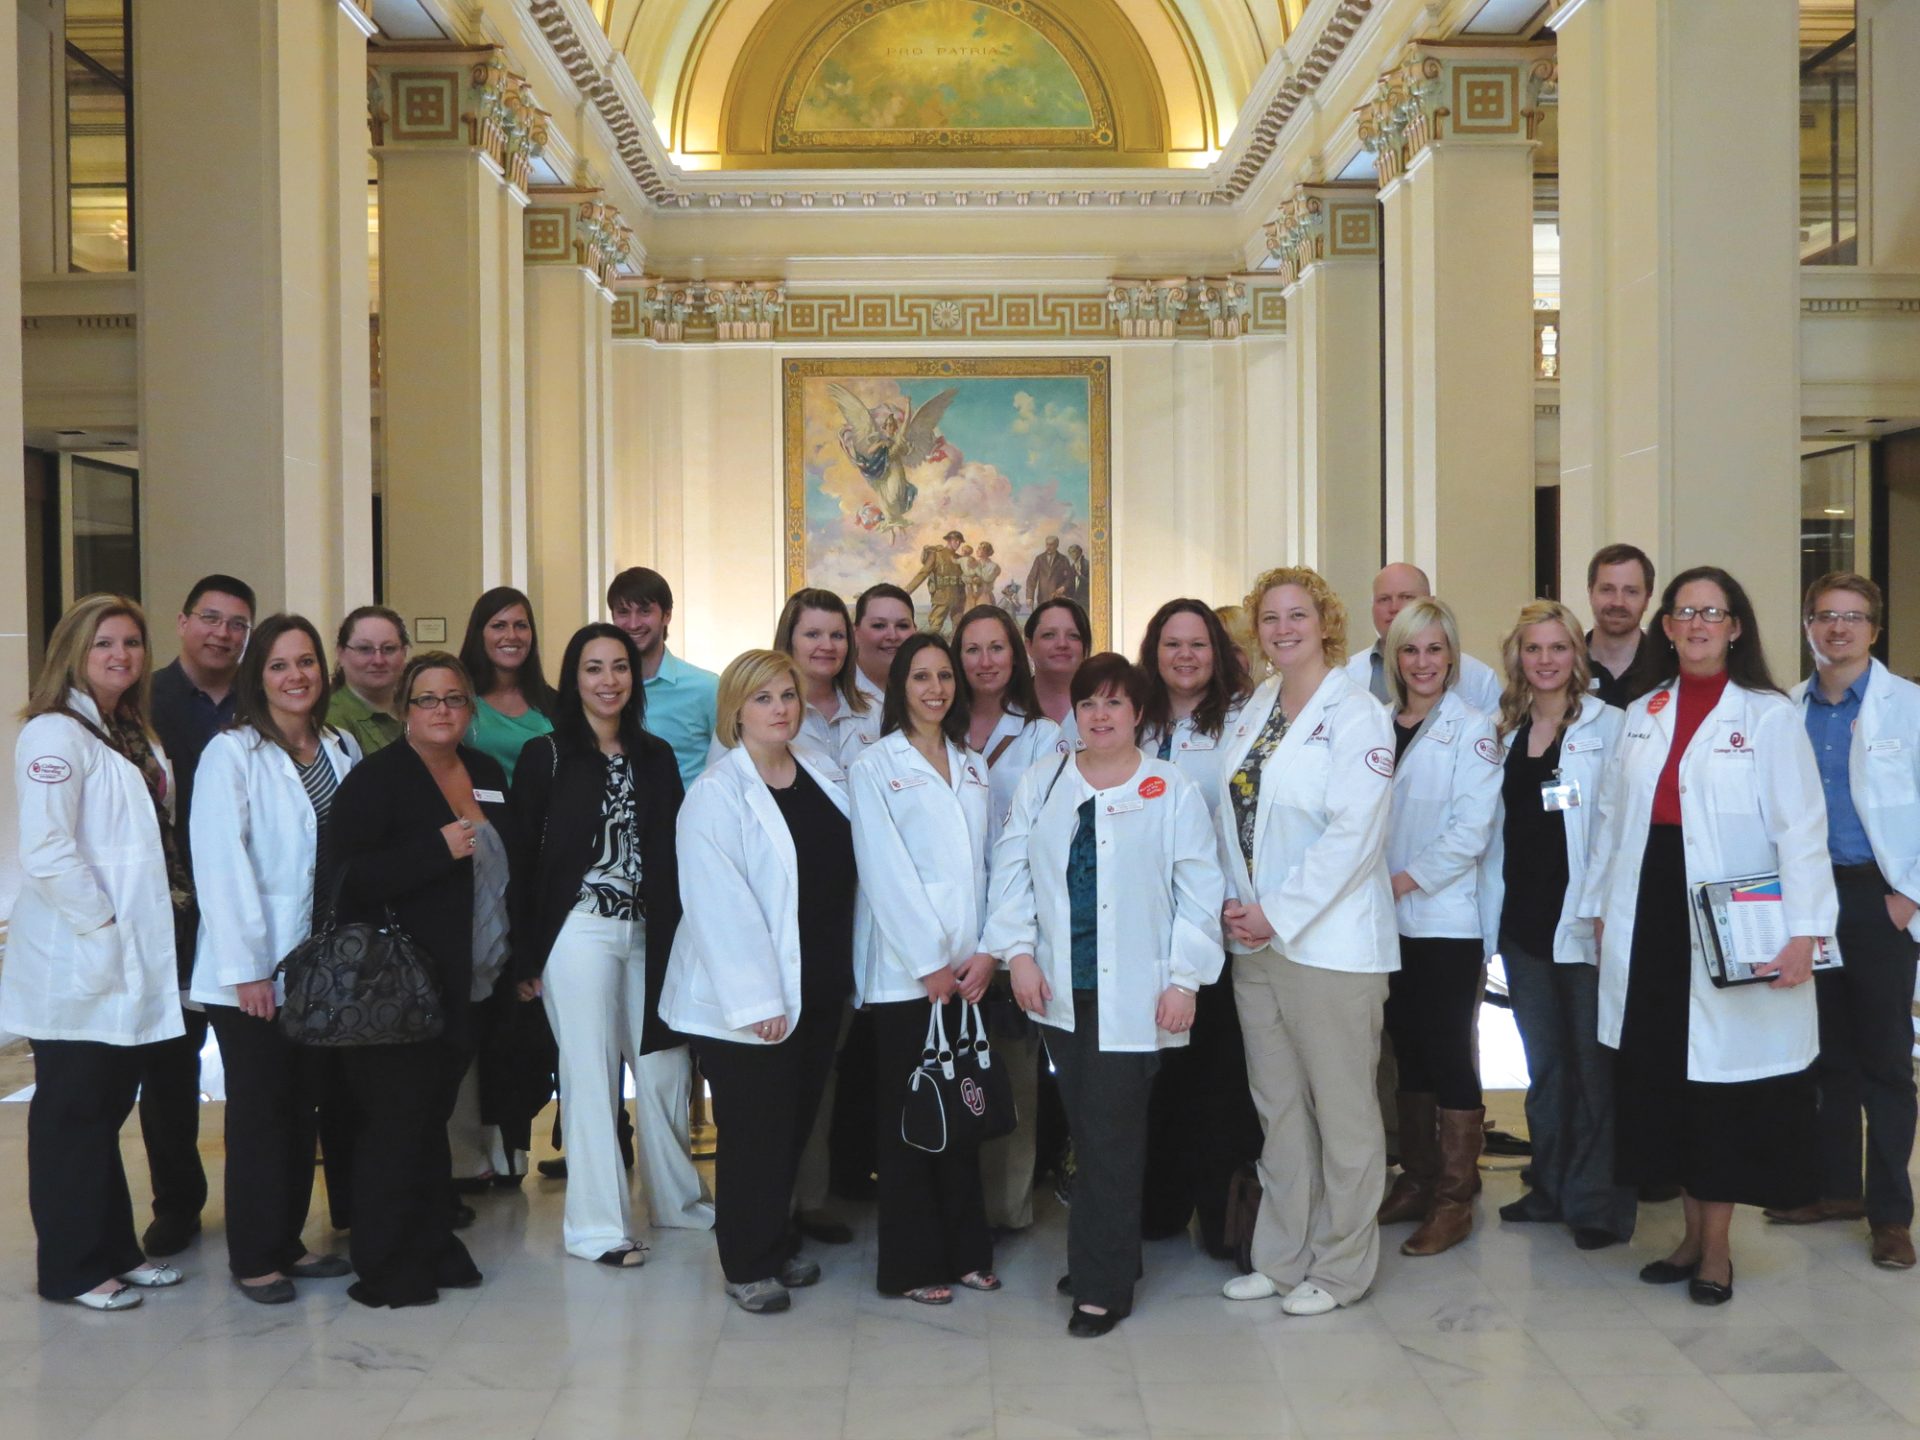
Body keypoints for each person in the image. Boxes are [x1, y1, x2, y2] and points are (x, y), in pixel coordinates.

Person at [1576, 566, 1836, 1306]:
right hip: (1648, 911)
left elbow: (1801, 829)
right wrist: (1597, 905)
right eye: (1684, 611)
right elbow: (1608, 823)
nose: (1696, 624)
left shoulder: (1767, 715)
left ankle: (1717, 1250)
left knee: (1720, 1089)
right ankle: (1686, 1237)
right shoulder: (1643, 710)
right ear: (1667, 626)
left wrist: (1806, 931)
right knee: (1666, 1082)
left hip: (1730, 919)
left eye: (1712, 613)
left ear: (1736, 627)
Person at [981, 653, 1225, 1336]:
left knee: (1112, 1135)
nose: (1101, 715)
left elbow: (1199, 893)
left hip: (1138, 992)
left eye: (1115, 703)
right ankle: (1107, 1252)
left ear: (1138, 713)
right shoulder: (1045, 779)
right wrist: (1020, 957)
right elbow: (1012, 874)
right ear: (1074, 713)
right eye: (1089, 703)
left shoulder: (1168, 787)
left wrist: (1185, 979)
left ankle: (1102, 1285)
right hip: (1061, 988)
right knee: (1090, 1129)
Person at [1215, 567, 1396, 1316]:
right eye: (1269, 618)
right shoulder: (1255, 706)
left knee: (1344, 1113)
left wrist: (1277, 912)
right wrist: (1238, 904)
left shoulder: (1359, 715)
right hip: (1256, 947)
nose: (1282, 628)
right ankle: (1282, 1257)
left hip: (1329, 949)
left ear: (1325, 622)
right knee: (1278, 1109)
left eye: (1297, 615)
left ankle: (1342, 1267)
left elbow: (1355, 837)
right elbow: (1236, 817)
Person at [4, 594, 189, 1309]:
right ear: (73, 654)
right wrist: (106, 924)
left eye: (132, 643)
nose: (121, 655)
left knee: (104, 1109)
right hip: (81, 955)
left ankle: (115, 1249)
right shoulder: (53, 734)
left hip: (126, 951)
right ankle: (73, 1269)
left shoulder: (122, 728)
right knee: (71, 1116)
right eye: (105, 643)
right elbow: (48, 852)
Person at [659, 651, 856, 1314]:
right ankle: (747, 1262)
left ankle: (772, 1242)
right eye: (764, 698)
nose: (780, 708)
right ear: (735, 711)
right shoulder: (717, 795)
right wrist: (759, 1003)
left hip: (821, 982)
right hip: (748, 1004)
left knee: (794, 1125)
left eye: (788, 696)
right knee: (754, 1131)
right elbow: (720, 908)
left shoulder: (823, 774)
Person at [509, 623, 708, 1265]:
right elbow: (522, 860)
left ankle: (679, 1205)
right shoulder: (548, 754)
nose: (608, 680)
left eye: (619, 667)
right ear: (575, 679)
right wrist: (525, 955)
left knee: (662, 1069)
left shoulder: (655, 754)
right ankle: (598, 1228)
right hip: (579, 932)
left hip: (651, 930)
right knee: (590, 1074)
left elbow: (678, 856)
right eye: (593, 668)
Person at [329, 651, 514, 1307]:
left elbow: (504, 872)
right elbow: (346, 880)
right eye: (428, 699)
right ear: (405, 710)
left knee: (429, 1120)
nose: (442, 711)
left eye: (455, 699)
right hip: (395, 990)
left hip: (471, 983)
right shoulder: (377, 781)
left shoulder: (487, 773)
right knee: (394, 1128)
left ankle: (433, 1242)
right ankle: (383, 1264)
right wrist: (435, 848)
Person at [188, 614, 358, 1302]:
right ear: (259, 676)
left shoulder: (338, 747)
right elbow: (222, 866)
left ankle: (287, 1240)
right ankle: (254, 1254)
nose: (297, 676)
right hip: (254, 971)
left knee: (301, 1110)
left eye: (307, 662)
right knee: (259, 1114)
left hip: (321, 966)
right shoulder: (232, 754)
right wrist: (249, 969)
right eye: (280, 665)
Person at [1771, 573, 1920, 1269]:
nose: (1838, 629)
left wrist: (1909, 897)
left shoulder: (1908, 708)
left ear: (1874, 629)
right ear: (1807, 626)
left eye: (1853, 618)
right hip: (1808, 899)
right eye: (1826, 617)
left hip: (1877, 899)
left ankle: (1891, 1214)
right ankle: (1834, 1189)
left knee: (1886, 1061)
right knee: (1820, 1054)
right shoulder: (1788, 711)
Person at [850, 633, 1000, 1302]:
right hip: (908, 975)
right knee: (913, 1122)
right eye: (921, 678)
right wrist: (929, 963)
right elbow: (885, 872)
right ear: (900, 688)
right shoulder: (875, 765)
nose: (936, 688)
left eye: (945, 676)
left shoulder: (973, 765)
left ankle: (968, 1251)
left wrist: (985, 953)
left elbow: (991, 866)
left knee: (964, 1116)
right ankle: (912, 1265)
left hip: (969, 975)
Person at [1483, 601, 1635, 1250]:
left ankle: (1598, 1203)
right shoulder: (1504, 728)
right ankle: (1548, 1187)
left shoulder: (1612, 726)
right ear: (1518, 657)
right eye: (1533, 649)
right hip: (1524, 926)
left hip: (1584, 923)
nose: (1545, 660)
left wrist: (1601, 909)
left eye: (1557, 648)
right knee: (1544, 1068)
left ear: (1579, 654)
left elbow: (1616, 830)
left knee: (1594, 1068)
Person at [1373, 597, 1502, 1257]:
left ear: (1452, 656)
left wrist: (1400, 880)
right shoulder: (1377, 725)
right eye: (1410, 649)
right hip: (1383, 925)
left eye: (1434, 649)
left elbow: (1470, 833)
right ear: (1394, 657)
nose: (1422, 662)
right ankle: (1418, 1179)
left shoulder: (1474, 729)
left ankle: (1455, 1197)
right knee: (1409, 1051)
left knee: (1449, 1052)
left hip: (1445, 922)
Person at [1133, 599, 1262, 1256]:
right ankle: (1157, 1208)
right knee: (1155, 1078)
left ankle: (1220, 1218)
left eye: (1198, 645)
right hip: (1142, 929)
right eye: (1172, 644)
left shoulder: (1244, 722)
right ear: (1153, 652)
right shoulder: (1130, 721)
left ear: (1218, 653)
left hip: (1217, 927)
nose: (1185, 656)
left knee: (1218, 1079)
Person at [142, 572, 256, 1258]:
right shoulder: (146, 700)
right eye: (210, 619)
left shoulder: (263, 697)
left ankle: (258, 1205)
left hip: (246, 908)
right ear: (182, 622)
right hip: (172, 911)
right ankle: (176, 1204)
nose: (222, 633)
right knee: (169, 1066)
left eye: (237, 623)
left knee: (256, 1069)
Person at [762, 588, 878, 1244]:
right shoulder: (768, 710)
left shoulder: (874, 712)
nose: (826, 647)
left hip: (851, 908)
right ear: (790, 639)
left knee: (825, 1064)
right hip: (789, 909)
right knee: (781, 1063)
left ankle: (811, 1196)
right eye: (813, 635)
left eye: (837, 635)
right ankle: (769, 1204)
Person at [954, 603, 1068, 1232]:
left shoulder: (1045, 735)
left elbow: (1040, 841)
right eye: (972, 649)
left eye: (996, 648)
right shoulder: (935, 724)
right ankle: (955, 1204)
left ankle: (1007, 1208)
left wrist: (1008, 940)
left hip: (1016, 927)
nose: (985, 661)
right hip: (947, 931)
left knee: (1012, 1075)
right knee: (949, 1074)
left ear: (1016, 655)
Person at [609, 567, 719, 793]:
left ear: (667, 615)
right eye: (623, 612)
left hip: (686, 823)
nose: (633, 623)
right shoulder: (603, 690)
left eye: (644, 611)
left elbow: (731, 763)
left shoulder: (706, 688)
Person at [1345, 563, 1501, 713]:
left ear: (1431, 603)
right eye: (1384, 599)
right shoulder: (1346, 674)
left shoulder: (1480, 678)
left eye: (1406, 597)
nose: (1394, 608)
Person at [459, 587, 555, 784]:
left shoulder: (555, 703)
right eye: (499, 626)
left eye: (520, 625)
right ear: (480, 634)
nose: (512, 635)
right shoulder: (457, 699)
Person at [328, 605, 410, 755]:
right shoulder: (331, 720)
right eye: (365, 649)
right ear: (341, 654)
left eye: (389, 648)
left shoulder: (415, 709)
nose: (378, 660)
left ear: (404, 653)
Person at [1586, 544, 1657, 708]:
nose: (1618, 602)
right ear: (1590, 593)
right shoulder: (1566, 667)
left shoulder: (1667, 669)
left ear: (1647, 599)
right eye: (1607, 589)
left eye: (1631, 591)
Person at [1025, 595, 1091, 732]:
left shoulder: (1107, 709)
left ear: (1085, 647)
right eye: (1049, 635)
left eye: (1073, 636)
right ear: (1029, 645)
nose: (1062, 644)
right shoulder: (1007, 707)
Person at [853, 583, 917, 708]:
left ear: (915, 631)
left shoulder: (934, 690)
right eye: (879, 625)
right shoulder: (832, 693)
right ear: (855, 633)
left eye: (902, 626)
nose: (892, 636)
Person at [904, 530, 969, 636]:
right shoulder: (936, 555)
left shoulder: (960, 559)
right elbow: (923, 573)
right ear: (948, 540)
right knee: (935, 627)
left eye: (959, 542)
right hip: (942, 596)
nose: (958, 543)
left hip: (959, 597)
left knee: (958, 627)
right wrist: (907, 590)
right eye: (955, 540)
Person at [1025, 535, 1074, 609]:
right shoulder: (1039, 559)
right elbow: (1032, 578)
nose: (1048, 547)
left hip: (1058, 599)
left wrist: (1063, 587)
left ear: (1057, 545)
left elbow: (1070, 578)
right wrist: (1029, 597)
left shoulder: (1063, 559)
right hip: (1042, 599)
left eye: (1051, 545)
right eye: (1047, 544)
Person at [970, 541, 1000, 610]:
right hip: (972, 596)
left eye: (980, 549)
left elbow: (987, 578)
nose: (977, 550)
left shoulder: (993, 566)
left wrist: (976, 568)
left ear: (986, 551)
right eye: (978, 548)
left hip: (985, 596)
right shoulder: (974, 563)